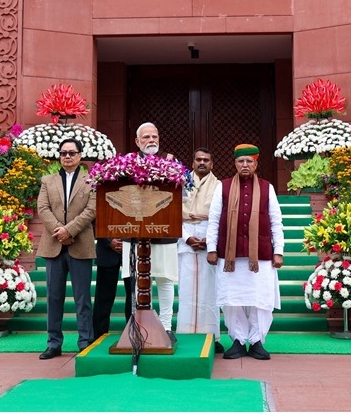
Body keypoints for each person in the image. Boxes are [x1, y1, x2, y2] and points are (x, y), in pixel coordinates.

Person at [205, 143, 283, 360]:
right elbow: (213, 219)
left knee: (260, 299)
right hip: (230, 255)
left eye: (249, 161)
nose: (245, 165)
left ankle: (257, 341)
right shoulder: (224, 186)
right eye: (241, 161)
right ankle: (238, 341)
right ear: (235, 164)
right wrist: (212, 248)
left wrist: (279, 251)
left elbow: (276, 221)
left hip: (261, 256)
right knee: (232, 300)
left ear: (256, 164)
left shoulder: (268, 187)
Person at [34, 138, 97, 359]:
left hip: (80, 244)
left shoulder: (91, 181)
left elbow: (92, 210)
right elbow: (42, 208)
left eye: (71, 153)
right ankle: (53, 343)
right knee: (53, 297)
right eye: (63, 153)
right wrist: (60, 231)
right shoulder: (47, 180)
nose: (67, 156)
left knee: (82, 298)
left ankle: (85, 341)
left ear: (80, 156)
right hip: (53, 245)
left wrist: (69, 231)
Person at [119, 122, 181, 332]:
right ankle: (142, 328)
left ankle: (165, 328)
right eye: (146, 137)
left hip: (164, 230)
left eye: (154, 136)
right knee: (138, 280)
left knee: (164, 280)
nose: (151, 140)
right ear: (137, 141)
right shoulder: (126, 164)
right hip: (134, 231)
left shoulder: (171, 162)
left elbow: (185, 191)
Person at [178, 147, 223, 343]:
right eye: (199, 160)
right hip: (185, 233)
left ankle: (212, 338)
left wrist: (209, 239)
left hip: (209, 237)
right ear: (193, 162)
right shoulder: (180, 183)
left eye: (206, 160)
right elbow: (172, 214)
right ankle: (186, 336)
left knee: (210, 291)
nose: (202, 162)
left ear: (212, 164)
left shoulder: (220, 186)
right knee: (186, 290)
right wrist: (187, 237)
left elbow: (222, 216)